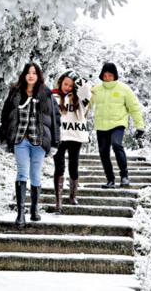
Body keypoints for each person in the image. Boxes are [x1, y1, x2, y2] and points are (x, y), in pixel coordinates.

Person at [0, 62, 60, 228]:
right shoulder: (15, 92)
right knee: (22, 173)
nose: (31, 75)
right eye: (28, 72)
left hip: (39, 141)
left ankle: (34, 209)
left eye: (34, 73)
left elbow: (55, 119)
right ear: (24, 75)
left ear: (38, 75)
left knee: (35, 174)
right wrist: (4, 138)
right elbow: (5, 116)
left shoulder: (46, 94)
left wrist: (55, 142)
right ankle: (20, 214)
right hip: (20, 140)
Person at [90, 62, 146, 188]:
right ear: (101, 75)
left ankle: (124, 176)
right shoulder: (96, 90)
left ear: (114, 75)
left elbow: (134, 107)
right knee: (103, 152)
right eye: (105, 75)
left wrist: (139, 126)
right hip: (101, 125)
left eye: (110, 75)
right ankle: (110, 180)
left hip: (118, 124)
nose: (107, 78)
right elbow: (85, 106)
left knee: (116, 145)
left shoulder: (124, 89)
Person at [51, 70, 92, 213]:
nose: (67, 87)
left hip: (75, 136)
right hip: (59, 136)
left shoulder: (80, 99)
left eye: (70, 85)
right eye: (65, 84)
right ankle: (58, 201)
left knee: (73, 165)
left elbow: (87, 90)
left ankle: (73, 195)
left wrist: (78, 80)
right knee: (59, 166)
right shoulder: (53, 96)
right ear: (60, 82)